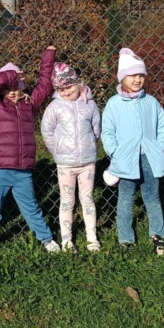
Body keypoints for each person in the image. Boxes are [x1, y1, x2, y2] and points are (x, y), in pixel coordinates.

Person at [0, 47, 60, 260]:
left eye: (17, 87)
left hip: (22, 170)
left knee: (31, 207)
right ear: (1, 89)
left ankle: (47, 240)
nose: (13, 91)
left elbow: (45, 85)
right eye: (8, 88)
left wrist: (47, 57)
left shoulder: (28, 105)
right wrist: (8, 76)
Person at [102, 48, 164, 255]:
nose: (138, 79)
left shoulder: (151, 102)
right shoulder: (114, 104)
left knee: (152, 197)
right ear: (123, 78)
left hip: (150, 158)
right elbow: (107, 131)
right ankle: (125, 238)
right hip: (125, 160)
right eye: (132, 75)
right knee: (125, 199)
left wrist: (163, 149)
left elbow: (163, 127)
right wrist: (115, 152)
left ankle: (159, 235)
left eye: (141, 75)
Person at [40, 62, 102, 253]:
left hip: (87, 163)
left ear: (78, 82)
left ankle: (92, 237)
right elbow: (47, 131)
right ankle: (67, 240)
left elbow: (96, 129)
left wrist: (90, 146)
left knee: (87, 198)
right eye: (60, 88)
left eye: (69, 86)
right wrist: (57, 151)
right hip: (65, 163)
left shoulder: (89, 105)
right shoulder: (54, 107)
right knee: (67, 201)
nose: (66, 92)